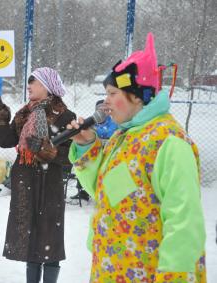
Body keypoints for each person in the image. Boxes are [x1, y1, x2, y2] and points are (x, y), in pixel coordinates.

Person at [68, 33, 206, 282]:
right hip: (112, 268)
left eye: (112, 93)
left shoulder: (169, 142)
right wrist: (87, 146)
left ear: (136, 96)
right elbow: (106, 193)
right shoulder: (126, 136)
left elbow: (184, 222)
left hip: (147, 274)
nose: (105, 103)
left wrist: (175, 275)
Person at [0, 67, 76, 283]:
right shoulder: (24, 113)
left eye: (33, 81)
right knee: (30, 237)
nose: (28, 85)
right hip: (25, 180)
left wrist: (48, 150)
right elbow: (6, 141)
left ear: (47, 87)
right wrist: (0, 118)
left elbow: (70, 156)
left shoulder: (65, 115)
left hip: (49, 183)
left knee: (50, 237)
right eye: (28, 81)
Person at [70, 99, 118, 202]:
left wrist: (95, 135)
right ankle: (82, 192)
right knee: (83, 166)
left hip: (107, 152)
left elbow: (110, 133)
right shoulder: (91, 122)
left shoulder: (113, 122)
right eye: (100, 110)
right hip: (94, 153)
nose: (102, 112)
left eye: (105, 110)